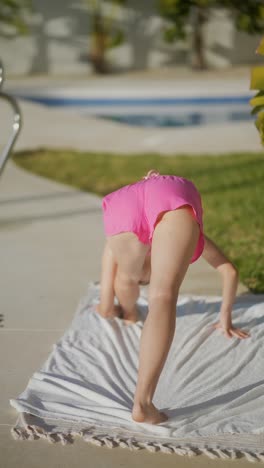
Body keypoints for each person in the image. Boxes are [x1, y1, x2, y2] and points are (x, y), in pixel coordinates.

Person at [96, 170, 250, 425]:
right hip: (170, 193)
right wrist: (225, 318)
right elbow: (229, 270)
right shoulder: (180, 228)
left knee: (126, 277)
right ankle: (142, 404)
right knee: (162, 296)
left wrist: (106, 308)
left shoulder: (126, 259)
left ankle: (131, 312)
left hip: (124, 201)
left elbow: (108, 282)